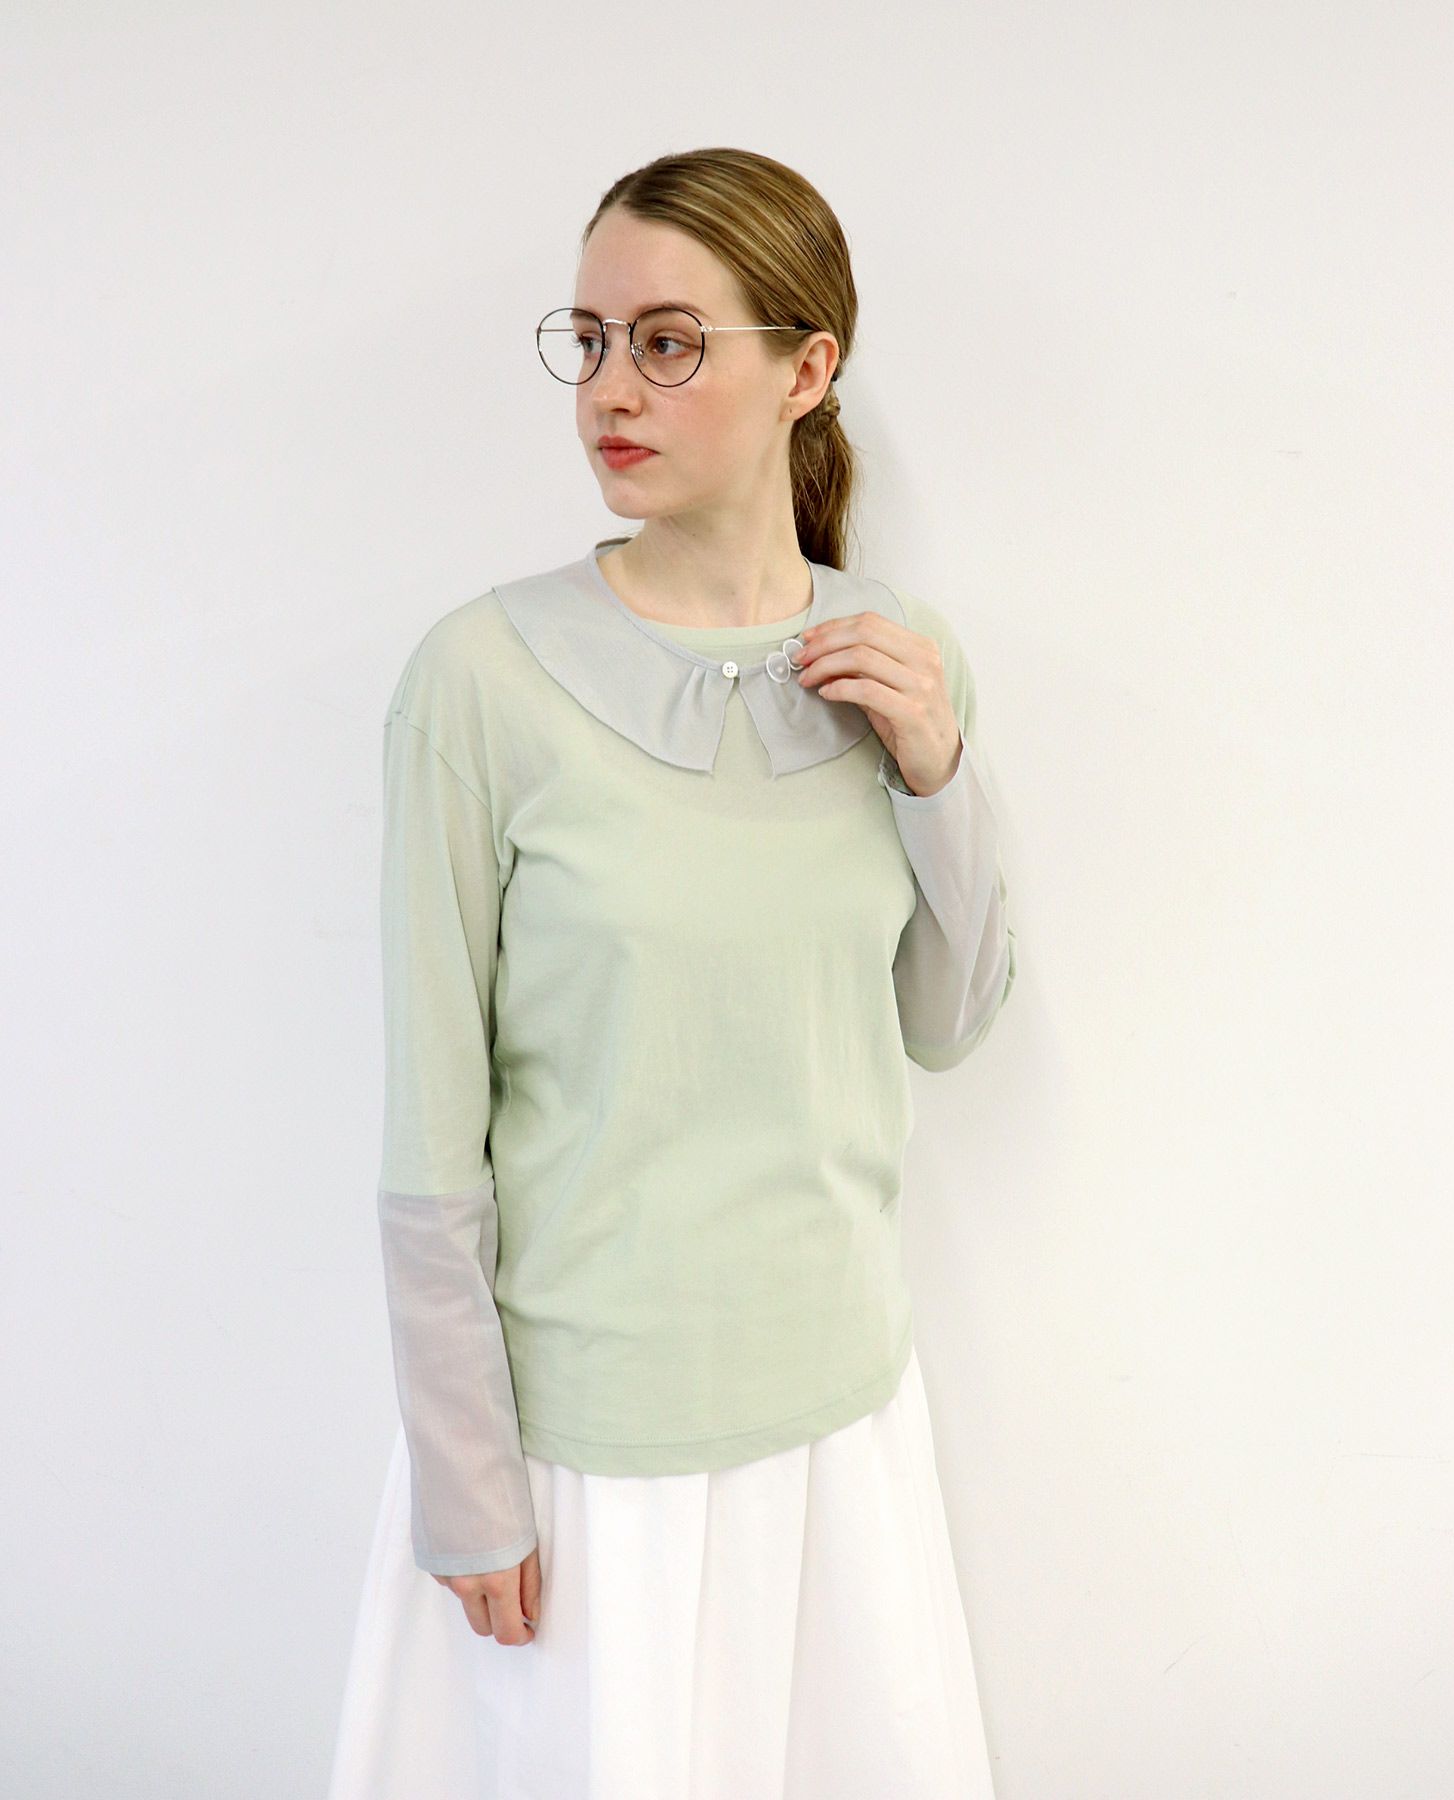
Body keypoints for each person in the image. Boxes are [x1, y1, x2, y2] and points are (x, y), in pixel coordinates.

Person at [327, 145, 1018, 1800]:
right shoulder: (480, 681)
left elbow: (945, 1022)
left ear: (809, 369)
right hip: (586, 1465)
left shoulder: (898, 657)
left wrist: (938, 769)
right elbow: (433, 1131)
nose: (611, 391)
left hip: (841, 1426)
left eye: (668, 342)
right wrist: (467, 1481)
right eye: (591, 340)